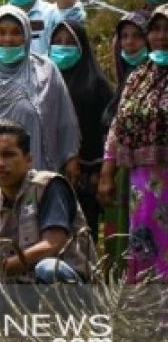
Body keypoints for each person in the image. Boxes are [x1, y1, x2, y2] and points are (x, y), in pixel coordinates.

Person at [0, 120, 96, 286]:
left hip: (72, 288)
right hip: (21, 291)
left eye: (8, 155)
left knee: (48, 268)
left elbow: (52, 245)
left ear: (28, 159)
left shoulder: (49, 185)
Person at [0, 5, 80, 178]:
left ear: (26, 35)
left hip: (36, 173)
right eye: (1, 32)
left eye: (16, 32)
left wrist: (71, 158)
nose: (8, 39)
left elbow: (65, 120)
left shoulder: (45, 70)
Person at [99, 4, 168, 282]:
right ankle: (147, 311)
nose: (162, 36)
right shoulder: (139, 76)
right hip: (143, 184)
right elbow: (117, 125)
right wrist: (107, 172)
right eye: (156, 29)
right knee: (144, 243)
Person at [46, 18, 113, 232]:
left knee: (84, 227)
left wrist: (98, 169)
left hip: (85, 172)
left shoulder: (96, 84)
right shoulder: (44, 81)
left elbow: (107, 130)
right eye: (57, 42)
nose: (63, 47)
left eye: (70, 43)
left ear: (82, 46)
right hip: (50, 167)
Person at [98, 11, 149, 266]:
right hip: (125, 175)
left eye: (138, 36)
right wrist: (107, 174)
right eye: (124, 36)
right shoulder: (130, 81)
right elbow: (116, 130)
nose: (129, 43)